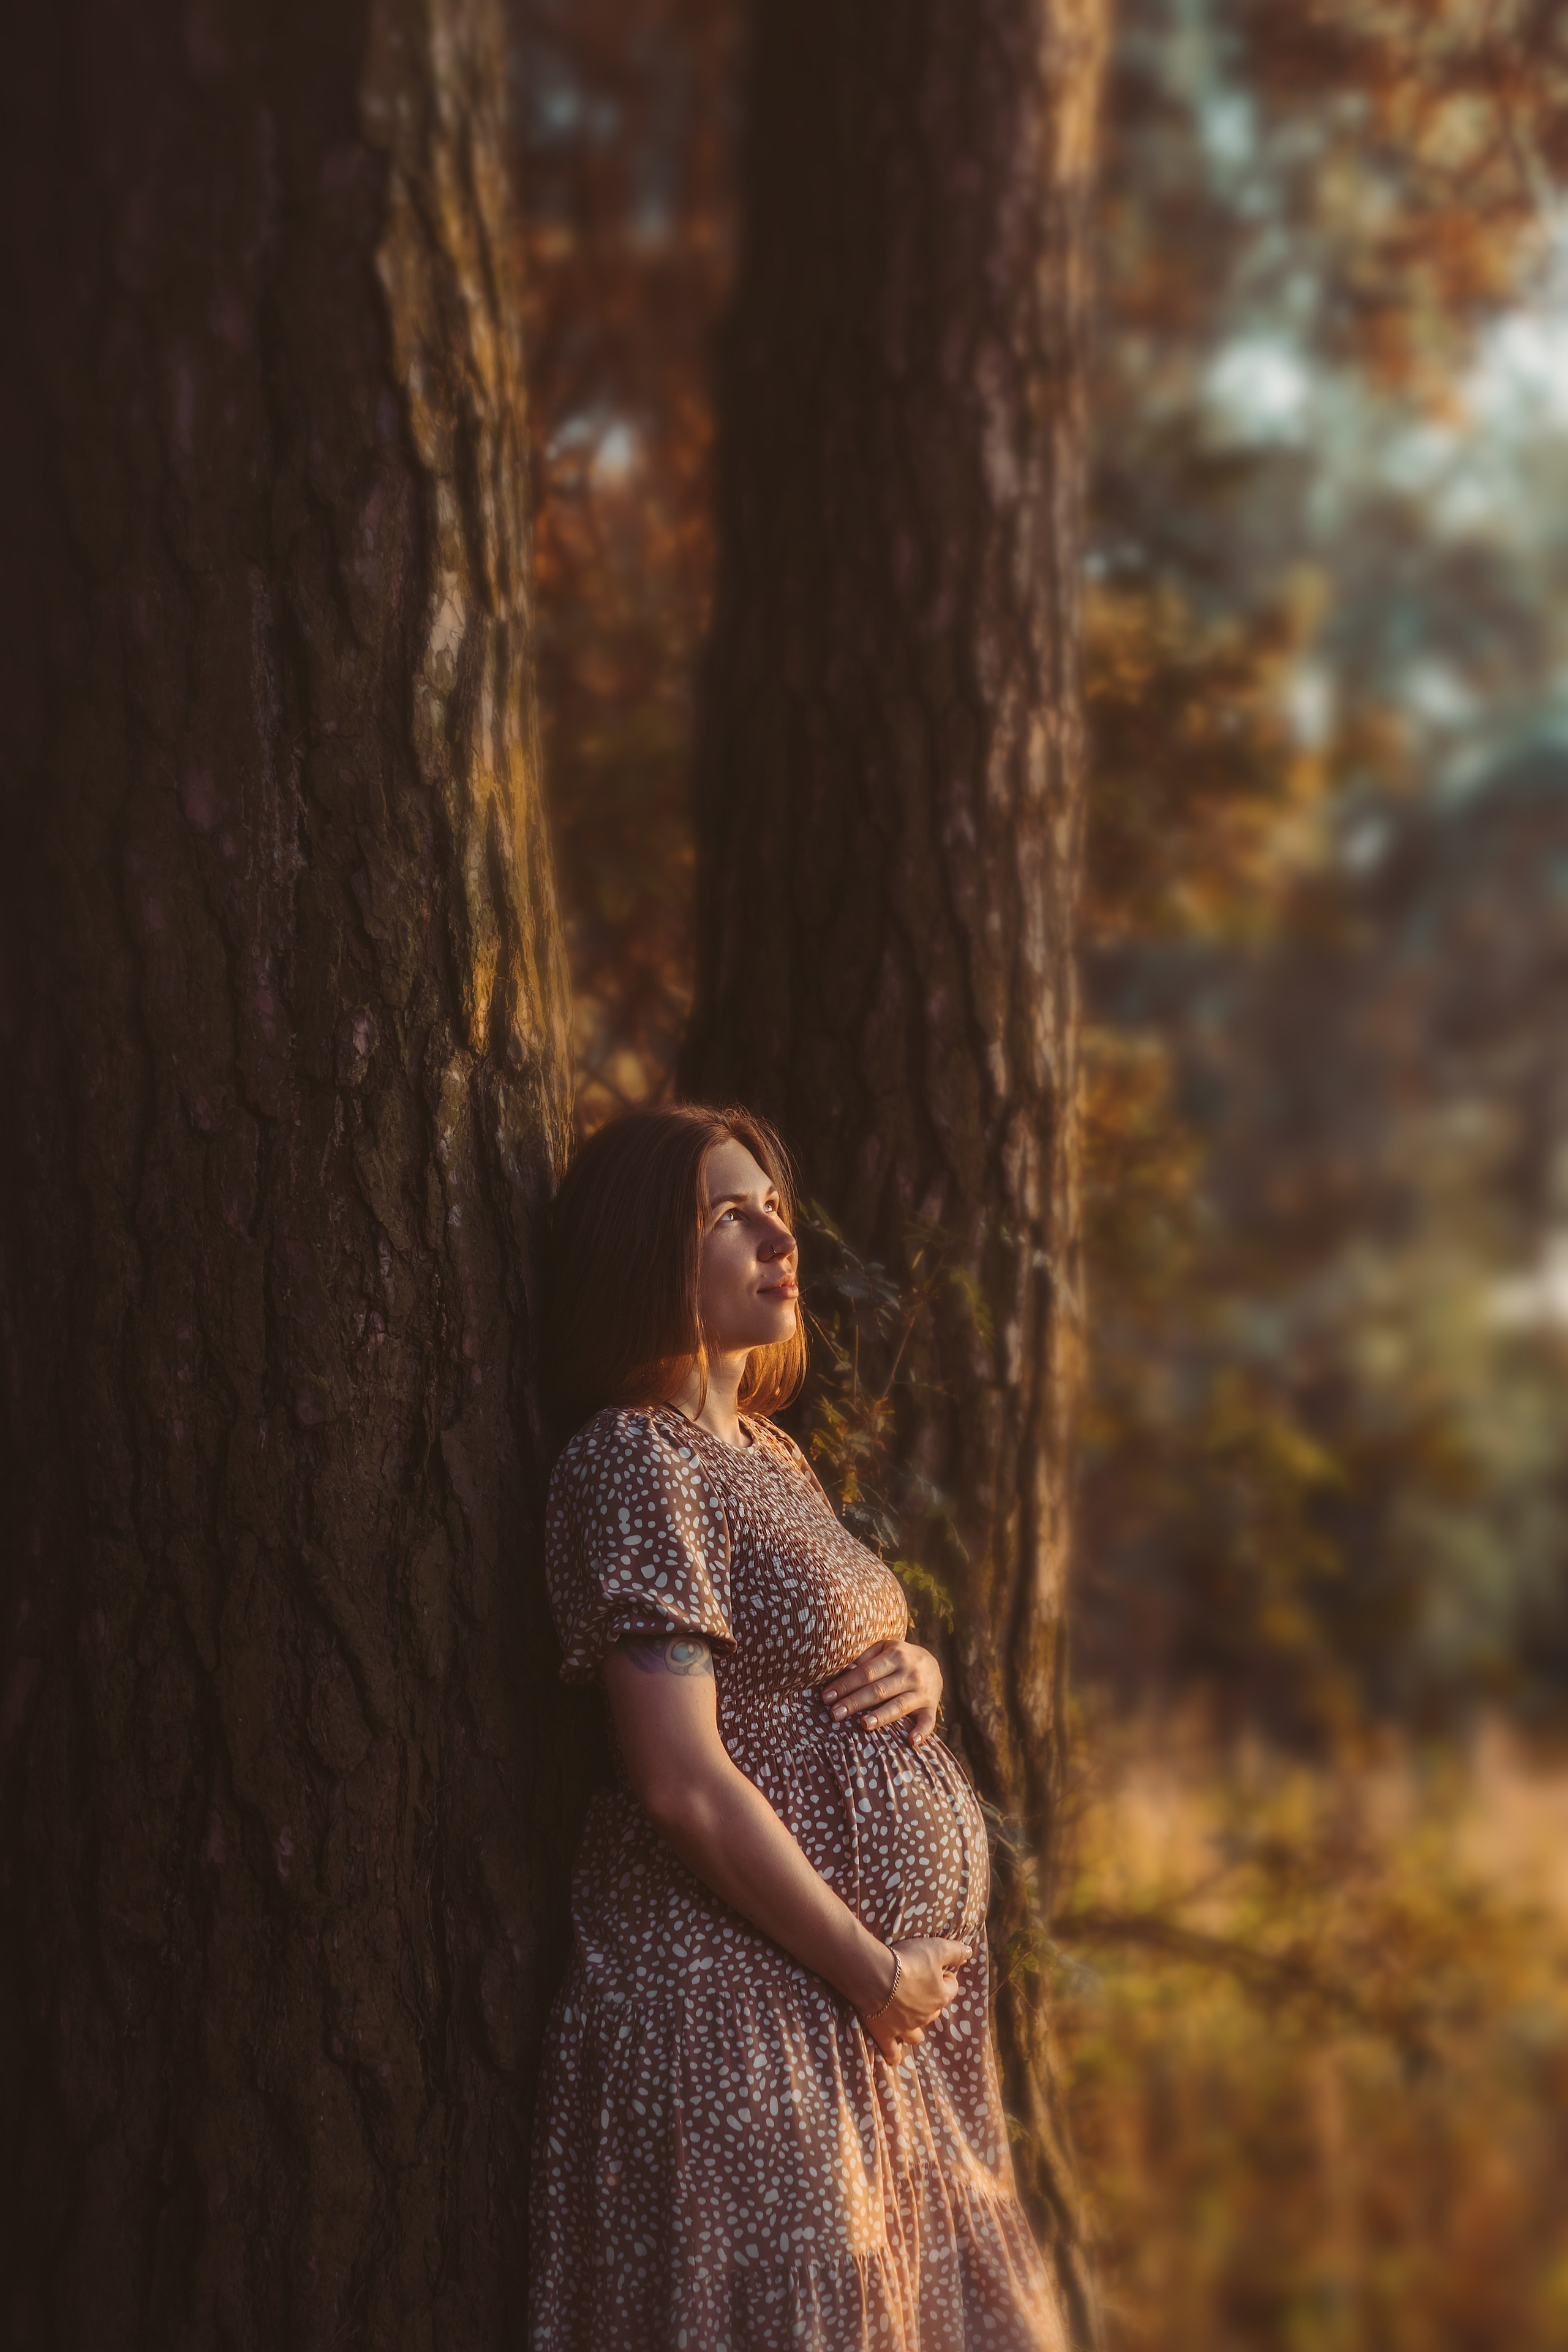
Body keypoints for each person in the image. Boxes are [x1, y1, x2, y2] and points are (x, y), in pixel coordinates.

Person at [528, 1102, 1067, 2351]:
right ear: (637, 1251)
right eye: (727, 1213)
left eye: (772, 1205)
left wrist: (914, 1671)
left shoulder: (768, 1457)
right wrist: (872, 1973)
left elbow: (820, 1648)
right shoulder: (632, 1461)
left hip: (847, 2018)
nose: (778, 1236)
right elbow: (678, 1780)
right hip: (738, 2006)